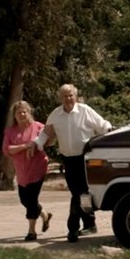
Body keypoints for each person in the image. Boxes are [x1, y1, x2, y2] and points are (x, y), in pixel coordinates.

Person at [26, 84, 112, 243]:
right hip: (69, 160)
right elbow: (46, 133)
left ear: (76, 96)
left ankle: (73, 227)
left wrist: (112, 133)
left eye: (70, 95)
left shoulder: (85, 110)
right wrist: (35, 143)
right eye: (65, 96)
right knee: (78, 194)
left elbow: (103, 126)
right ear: (60, 98)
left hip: (86, 159)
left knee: (82, 193)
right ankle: (89, 223)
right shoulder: (55, 115)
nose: (68, 98)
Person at [2, 100, 53, 241]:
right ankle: (44, 214)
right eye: (19, 112)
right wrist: (26, 146)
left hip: (38, 167)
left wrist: (37, 143)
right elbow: (7, 149)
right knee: (24, 200)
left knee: (31, 199)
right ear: (15, 115)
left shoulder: (38, 127)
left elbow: (50, 138)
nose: (22, 114)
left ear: (29, 112)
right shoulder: (10, 131)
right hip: (21, 171)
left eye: (25, 111)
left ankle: (32, 231)